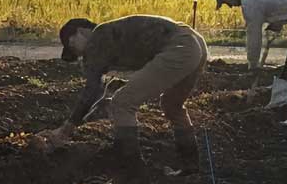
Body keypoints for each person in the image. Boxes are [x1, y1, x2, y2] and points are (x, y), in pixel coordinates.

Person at [39, 15, 209, 173]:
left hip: (179, 47)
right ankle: (190, 165)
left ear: (80, 32)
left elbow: (92, 89)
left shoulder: (96, 40)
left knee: (122, 103)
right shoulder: (111, 34)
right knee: (172, 105)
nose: (77, 54)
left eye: (71, 45)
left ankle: (132, 171)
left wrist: (67, 128)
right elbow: (100, 87)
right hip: (194, 42)